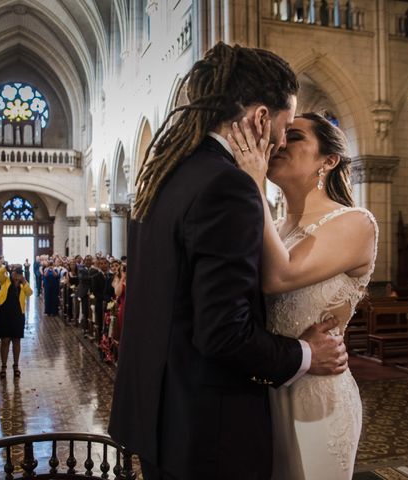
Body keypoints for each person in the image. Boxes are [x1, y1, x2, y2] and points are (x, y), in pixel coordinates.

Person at [108, 43, 347, 480]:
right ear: (260, 117)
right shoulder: (228, 187)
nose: (279, 141)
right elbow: (223, 334)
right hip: (208, 433)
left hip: (159, 418)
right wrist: (307, 353)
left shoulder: (164, 174)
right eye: (285, 125)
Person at [229, 111, 377, 479]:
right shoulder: (274, 227)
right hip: (270, 387)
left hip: (318, 396)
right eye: (283, 136)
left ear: (328, 160)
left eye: (294, 137)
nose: (280, 144)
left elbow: (279, 276)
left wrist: (253, 182)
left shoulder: (356, 222)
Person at [0, 265, 33, 378]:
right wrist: (6, 268)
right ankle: (3, 366)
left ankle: (16, 365)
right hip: (5, 313)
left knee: (16, 340)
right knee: (5, 340)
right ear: (12, 273)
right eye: (16, 272)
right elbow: (0, 274)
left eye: (19, 273)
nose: (17, 275)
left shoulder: (22, 285)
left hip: (18, 314)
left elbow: (29, 293)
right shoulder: (5, 281)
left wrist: (23, 281)